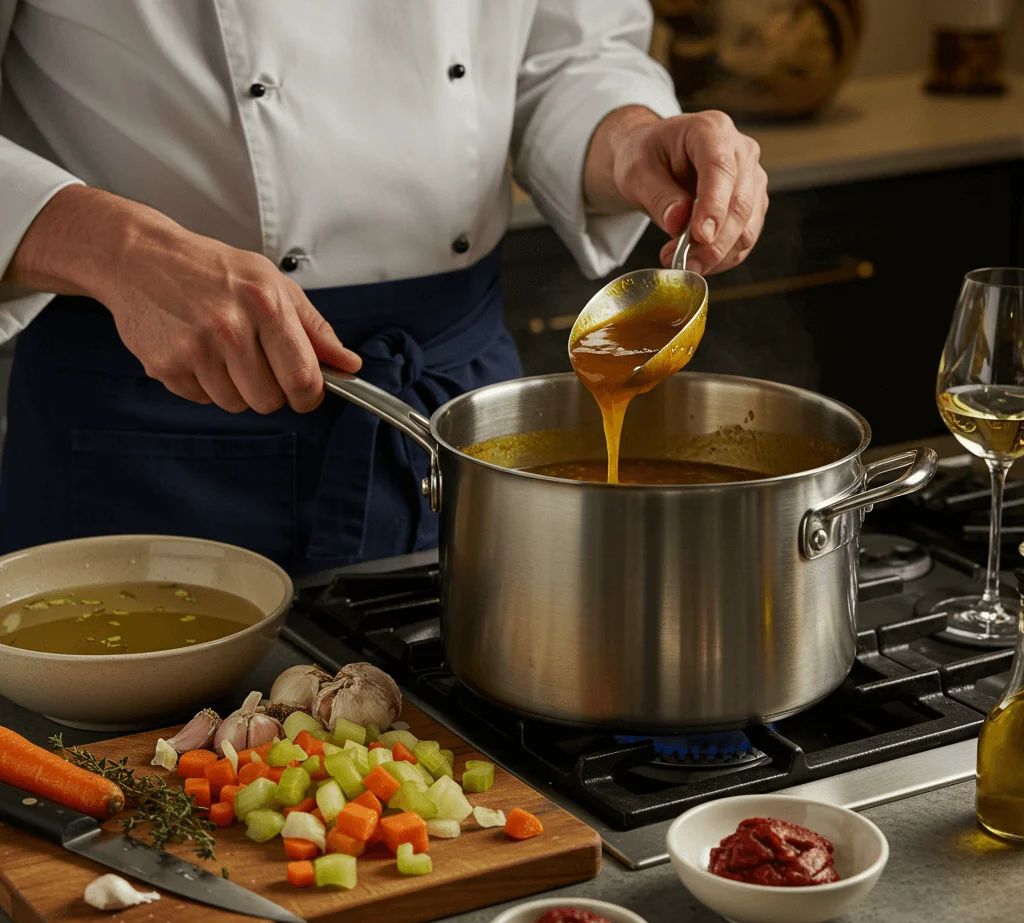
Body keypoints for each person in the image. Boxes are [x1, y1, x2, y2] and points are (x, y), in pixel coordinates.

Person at [0, 1, 768, 574]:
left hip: (455, 423)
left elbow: (570, 52)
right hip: (152, 431)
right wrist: (120, 249)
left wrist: (630, 137)